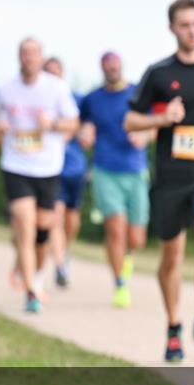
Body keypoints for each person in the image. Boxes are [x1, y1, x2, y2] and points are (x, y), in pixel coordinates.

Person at [125, 0, 194, 362]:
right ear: (172, 28)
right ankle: (174, 326)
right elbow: (131, 121)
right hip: (172, 176)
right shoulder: (158, 74)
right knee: (171, 257)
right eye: (185, 24)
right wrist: (161, 119)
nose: (192, 30)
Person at [0, 38, 80, 313]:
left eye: (34, 53)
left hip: (48, 168)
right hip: (16, 166)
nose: (29, 58)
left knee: (42, 232)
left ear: (41, 57)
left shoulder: (57, 88)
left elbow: (74, 123)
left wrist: (54, 124)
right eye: (25, 53)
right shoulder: (5, 89)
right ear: (19, 57)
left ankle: (35, 275)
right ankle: (31, 292)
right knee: (25, 225)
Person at [79, 51, 151, 307]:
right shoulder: (92, 99)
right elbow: (83, 124)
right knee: (115, 227)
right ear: (102, 68)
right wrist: (85, 133)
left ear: (121, 66)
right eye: (107, 66)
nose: (112, 69)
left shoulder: (138, 93)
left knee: (137, 239)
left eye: (115, 65)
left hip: (136, 170)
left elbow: (153, 124)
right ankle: (120, 284)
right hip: (105, 169)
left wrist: (145, 136)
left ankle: (127, 257)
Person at [43, 56, 88, 289]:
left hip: (75, 167)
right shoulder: (38, 101)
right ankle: (60, 264)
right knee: (56, 217)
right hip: (51, 168)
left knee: (72, 219)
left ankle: (65, 251)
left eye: (56, 72)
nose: (52, 76)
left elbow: (88, 127)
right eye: (47, 72)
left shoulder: (76, 100)